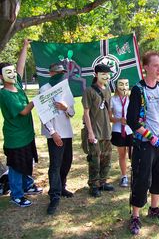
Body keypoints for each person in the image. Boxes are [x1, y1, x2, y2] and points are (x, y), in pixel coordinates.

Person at [126, 51, 159, 235]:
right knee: (141, 179)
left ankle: (154, 209)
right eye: (155, 65)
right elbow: (132, 120)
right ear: (145, 67)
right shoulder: (138, 89)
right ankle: (135, 216)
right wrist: (151, 137)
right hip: (144, 144)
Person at [0, 39, 42, 207]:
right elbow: (24, 111)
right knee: (16, 165)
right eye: (7, 72)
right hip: (15, 137)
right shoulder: (4, 94)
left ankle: (27, 185)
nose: (12, 74)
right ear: (1, 76)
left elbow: (20, 67)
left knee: (27, 161)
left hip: (27, 134)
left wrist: (24, 46)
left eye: (11, 72)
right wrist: (37, 99)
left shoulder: (16, 83)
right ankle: (16, 195)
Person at [39, 63, 75, 215]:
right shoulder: (44, 89)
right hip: (55, 134)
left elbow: (72, 112)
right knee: (55, 164)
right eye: (58, 72)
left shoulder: (66, 88)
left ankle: (61, 186)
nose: (61, 74)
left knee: (67, 161)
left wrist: (65, 108)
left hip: (67, 132)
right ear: (51, 73)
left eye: (63, 72)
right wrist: (53, 133)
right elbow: (43, 114)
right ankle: (54, 195)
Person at [82, 64, 114, 198]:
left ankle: (102, 182)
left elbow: (108, 110)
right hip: (94, 130)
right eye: (103, 74)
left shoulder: (107, 90)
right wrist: (90, 132)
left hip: (106, 130)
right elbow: (86, 113)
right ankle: (94, 185)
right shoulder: (89, 91)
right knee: (95, 159)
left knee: (106, 157)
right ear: (96, 75)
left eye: (108, 74)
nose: (106, 76)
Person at [109, 78, 132, 187]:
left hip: (130, 130)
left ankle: (135, 174)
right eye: (121, 85)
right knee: (122, 154)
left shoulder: (131, 99)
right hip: (118, 130)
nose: (123, 88)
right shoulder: (113, 100)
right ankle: (124, 176)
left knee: (132, 154)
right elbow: (109, 117)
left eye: (125, 85)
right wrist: (119, 120)